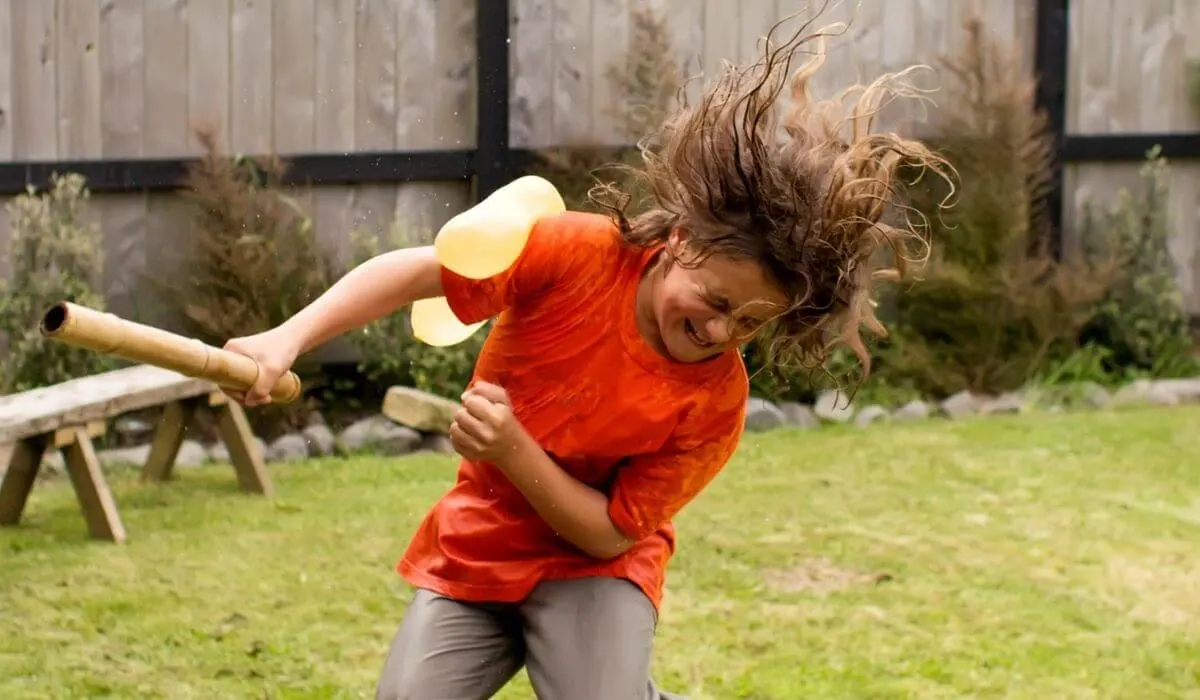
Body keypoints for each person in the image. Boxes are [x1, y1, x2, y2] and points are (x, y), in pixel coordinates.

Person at [221, 11, 953, 700]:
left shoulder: (714, 402)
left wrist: (512, 448)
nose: (725, 333)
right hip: (481, 537)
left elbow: (607, 530)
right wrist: (285, 340)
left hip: (594, 563)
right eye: (719, 302)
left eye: (751, 324)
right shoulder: (574, 254)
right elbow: (416, 271)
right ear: (683, 243)